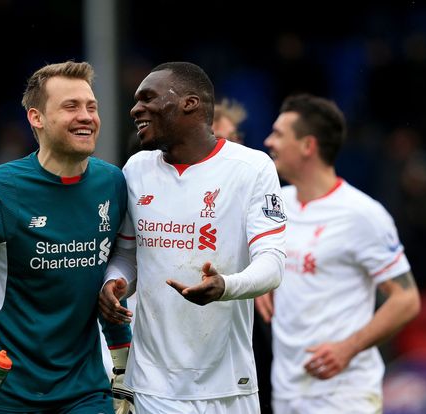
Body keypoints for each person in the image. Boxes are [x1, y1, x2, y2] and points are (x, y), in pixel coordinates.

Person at [0, 61, 132, 414]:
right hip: (3, 397)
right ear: (37, 118)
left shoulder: (113, 184)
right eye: (71, 106)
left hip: (85, 394)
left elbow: (106, 285)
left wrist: (122, 365)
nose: (86, 116)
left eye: (91, 107)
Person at [99, 61, 286, 413]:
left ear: (189, 103)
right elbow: (127, 256)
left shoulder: (252, 168)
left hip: (228, 384)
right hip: (152, 384)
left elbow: (273, 265)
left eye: (148, 98)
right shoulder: (136, 169)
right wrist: (115, 282)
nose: (135, 108)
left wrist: (225, 286)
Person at [257, 94, 421, 413]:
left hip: (345, 395)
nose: (268, 141)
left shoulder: (362, 214)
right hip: (287, 391)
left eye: (278, 133)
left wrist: (349, 348)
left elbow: (406, 299)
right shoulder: (275, 205)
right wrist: (259, 280)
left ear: (308, 146)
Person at [212, 97, 275, 414]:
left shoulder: (256, 187)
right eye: (227, 138)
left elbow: (272, 255)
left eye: (238, 137)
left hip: (247, 331)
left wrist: (260, 276)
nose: (236, 146)